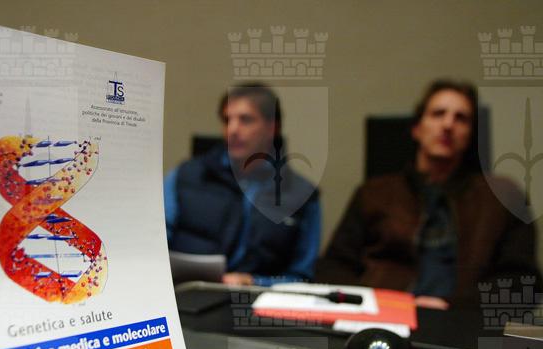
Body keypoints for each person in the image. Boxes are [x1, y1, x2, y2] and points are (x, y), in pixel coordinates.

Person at [316, 79, 540, 309]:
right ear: (417, 128)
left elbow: (522, 283)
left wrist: (454, 306)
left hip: (461, 319)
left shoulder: (503, 197)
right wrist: (370, 304)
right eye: (438, 114)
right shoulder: (373, 193)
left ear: (470, 134)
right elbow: (333, 267)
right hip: (383, 314)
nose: (448, 124)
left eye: (461, 118)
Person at [164, 84, 320, 286]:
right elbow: (153, 244)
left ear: (272, 127)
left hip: (258, 300)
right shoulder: (186, 175)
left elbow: (301, 276)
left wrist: (254, 282)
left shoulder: (302, 194)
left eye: (245, 120)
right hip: (185, 294)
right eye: (227, 120)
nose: (233, 129)